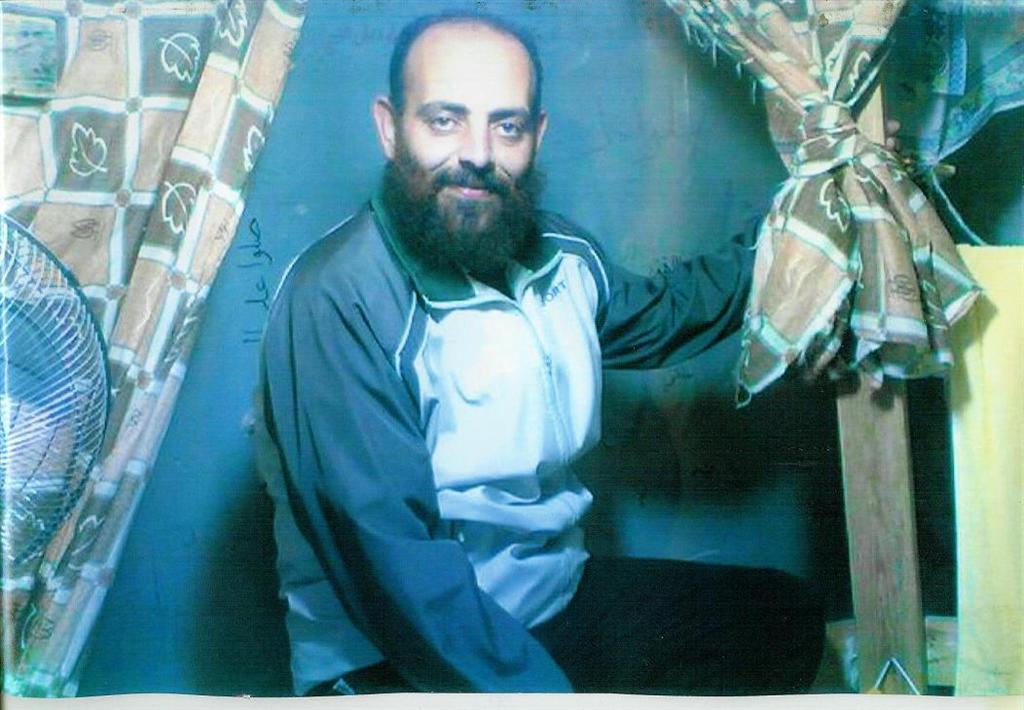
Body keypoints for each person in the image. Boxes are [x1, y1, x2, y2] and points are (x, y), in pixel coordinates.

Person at [256, 10, 825, 696]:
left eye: (507, 126)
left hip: (545, 607)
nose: (477, 153)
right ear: (389, 128)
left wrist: (813, 221)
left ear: (537, 136)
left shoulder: (556, 254)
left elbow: (672, 311)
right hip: (398, 655)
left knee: (783, 618)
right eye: (444, 120)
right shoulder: (337, 298)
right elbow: (400, 577)